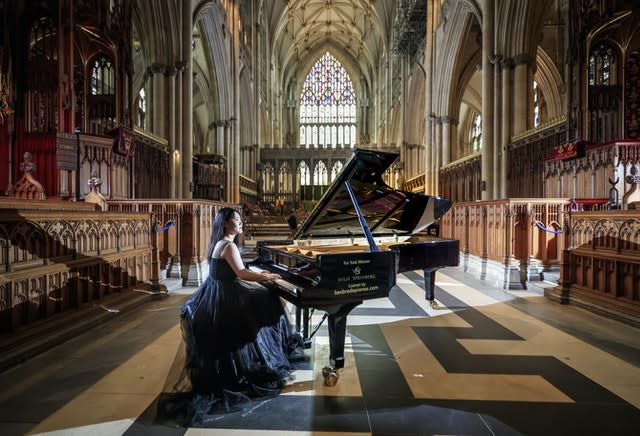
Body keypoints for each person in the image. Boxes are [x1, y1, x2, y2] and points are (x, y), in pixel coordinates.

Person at [172, 207, 304, 420]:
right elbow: (242, 273)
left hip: (216, 293)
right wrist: (267, 277)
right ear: (225, 223)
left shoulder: (219, 243)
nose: (241, 223)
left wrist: (260, 275)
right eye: (237, 220)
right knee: (269, 299)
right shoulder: (229, 246)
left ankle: (268, 348)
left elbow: (237, 271)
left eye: (241, 220)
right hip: (226, 297)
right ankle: (272, 350)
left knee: (262, 297)